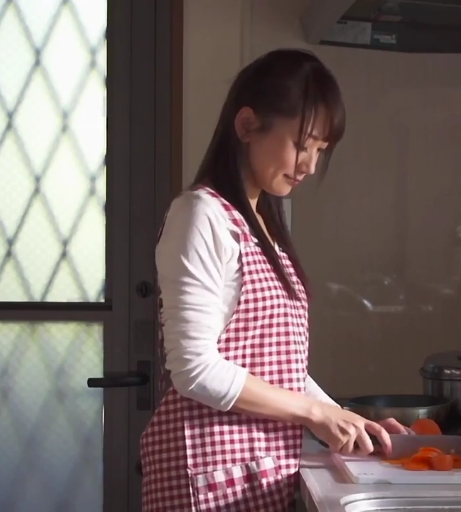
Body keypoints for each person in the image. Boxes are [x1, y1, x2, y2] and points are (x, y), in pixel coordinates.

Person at [139, 48, 412, 512]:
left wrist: (345, 419)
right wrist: (314, 413)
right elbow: (194, 369)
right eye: (303, 144)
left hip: (252, 479)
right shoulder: (200, 215)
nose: (310, 165)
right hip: (209, 484)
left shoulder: (263, 224)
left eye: (320, 150)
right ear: (247, 125)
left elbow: (278, 369)